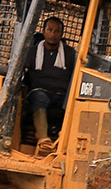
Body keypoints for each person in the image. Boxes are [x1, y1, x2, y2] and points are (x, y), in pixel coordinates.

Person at [24, 15, 76, 151]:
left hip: (62, 94)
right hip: (39, 92)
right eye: (50, 30)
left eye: (57, 31)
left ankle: (65, 142)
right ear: (43, 31)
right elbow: (23, 70)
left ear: (61, 34)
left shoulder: (70, 54)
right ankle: (42, 138)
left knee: (74, 105)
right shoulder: (33, 52)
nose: (53, 34)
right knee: (39, 97)